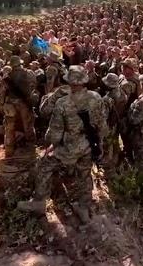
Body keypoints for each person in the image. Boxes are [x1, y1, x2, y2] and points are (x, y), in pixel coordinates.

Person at [17, 66, 106, 224]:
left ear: (69, 82)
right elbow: (101, 124)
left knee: (44, 165)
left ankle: (38, 202)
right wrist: (99, 144)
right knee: (85, 175)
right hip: (88, 145)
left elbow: (55, 133)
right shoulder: (96, 98)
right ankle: (84, 207)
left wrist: (51, 146)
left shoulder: (62, 103)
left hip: (69, 148)